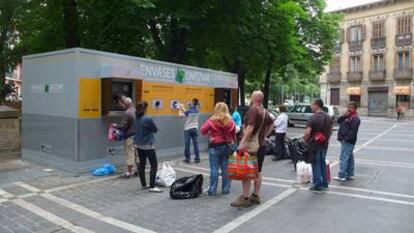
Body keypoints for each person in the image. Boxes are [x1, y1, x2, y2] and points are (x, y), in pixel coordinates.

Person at [231, 91, 274, 207]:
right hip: (262, 145)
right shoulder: (264, 111)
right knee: (258, 171)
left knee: (246, 172)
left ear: (254, 98)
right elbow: (271, 124)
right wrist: (264, 135)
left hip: (251, 147)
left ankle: (245, 198)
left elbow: (250, 128)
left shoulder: (253, 110)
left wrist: (241, 145)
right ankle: (256, 195)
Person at [200, 102, 236, 196]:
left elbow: (202, 130)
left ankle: (212, 190)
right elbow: (233, 135)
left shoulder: (211, 121)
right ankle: (225, 189)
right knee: (226, 169)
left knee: (214, 169)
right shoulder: (230, 121)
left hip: (214, 147)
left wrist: (210, 133)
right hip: (227, 147)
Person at [304, 99, 333, 193]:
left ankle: (317, 184)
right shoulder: (328, 117)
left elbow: (308, 132)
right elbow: (331, 130)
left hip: (314, 145)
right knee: (322, 163)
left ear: (317, 105)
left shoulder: (312, 118)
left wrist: (305, 140)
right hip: (324, 144)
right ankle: (325, 182)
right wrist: (326, 138)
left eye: (312, 104)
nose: (310, 106)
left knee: (315, 164)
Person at [134, 101, 162, 193]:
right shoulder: (148, 119)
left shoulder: (136, 119)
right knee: (154, 165)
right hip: (148, 145)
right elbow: (155, 130)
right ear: (145, 109)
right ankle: (152, 186)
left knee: (142, 164)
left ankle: (144, 185)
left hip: (139, 144)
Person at [334, 102, 361, 182]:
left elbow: (353, 131)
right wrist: (343, 115)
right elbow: (338, 121)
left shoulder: (355, 118)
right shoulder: (347, 116)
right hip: (346, 140)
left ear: (355, 109)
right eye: (348, 107)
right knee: (349, 157)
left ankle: (342, 175)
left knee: (344, 157)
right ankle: (350, 174)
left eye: (352, 108)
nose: (349, 109)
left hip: (348, 141)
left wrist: (346, 139)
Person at [117, 97, 137, 179]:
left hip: (129, 136)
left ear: (126, 104)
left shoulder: (127, 113)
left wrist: (116, 126)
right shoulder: (135, 110)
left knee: (130, 154)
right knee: (137, 154)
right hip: (137, 135)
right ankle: (138, 171)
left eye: (123, 103)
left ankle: (128, 172)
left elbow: (124, 126)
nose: (122, 105)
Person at [179, 98, 201, 163]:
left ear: (192, 103)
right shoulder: (197, 111)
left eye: (191, 102)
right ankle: (197, 158)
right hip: (195, 128)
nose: (190, 103)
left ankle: (187, 158)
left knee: (187, 144)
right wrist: (183, 108)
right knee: (195, 144)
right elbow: (187, 112)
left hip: (188, 129)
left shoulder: (189, 111)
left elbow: (180, 116)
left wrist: (180, 109)